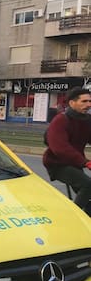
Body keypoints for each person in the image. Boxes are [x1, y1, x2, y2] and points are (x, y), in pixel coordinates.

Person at [43, 87, 91, 215]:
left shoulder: (87, 120)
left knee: (88, 197)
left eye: (90, 101)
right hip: (57, 164)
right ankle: (73, 216)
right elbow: (60, 148)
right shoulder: (61, 120)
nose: (88, 104)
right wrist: (85, 162)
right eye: (84, 101)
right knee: (87, 185)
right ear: (72, 103)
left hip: (74, 163)